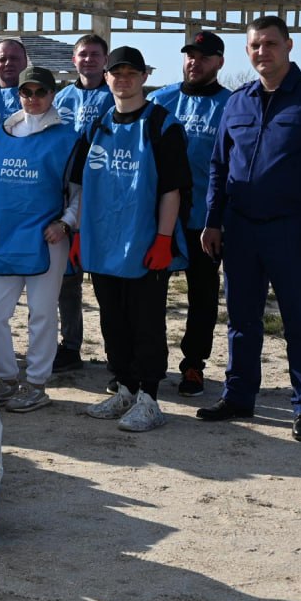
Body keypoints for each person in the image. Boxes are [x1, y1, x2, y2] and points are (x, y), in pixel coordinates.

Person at [196, 16, 301, 443]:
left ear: (289, 46)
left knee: (299, 322)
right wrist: (212, 220)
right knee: (242, 321)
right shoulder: (238, 101)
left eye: (270, 44)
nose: (263, 52)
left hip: (293, 232)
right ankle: (239, 396)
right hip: (240, 231)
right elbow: (219, 167)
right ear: (247, 52)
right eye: (255, 46)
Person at [73, 47, 192, 433]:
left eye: (130, 73)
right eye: (115, 73)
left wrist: (162, 239)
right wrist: (78, 234)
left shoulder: (162, 125)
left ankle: (150, 397)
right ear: (106, 78)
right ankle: (124, 387)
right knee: (113, 320)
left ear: (144, 77)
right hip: (104, 243)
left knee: (146, 322)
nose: (122, 79)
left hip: (144, 243)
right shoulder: (97, 125)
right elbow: (79, 184)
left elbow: (172, 189)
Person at [0, 67, 79, 413]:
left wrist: (65, 223)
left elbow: (80, 192)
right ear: (18, 94)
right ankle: (6, 377)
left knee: (41, 314)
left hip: (46, 240)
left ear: (53, 94)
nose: (33, 99)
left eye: (40, 92)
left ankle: (36, 383)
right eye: (27, 92)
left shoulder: (69, 136)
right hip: (2, 237)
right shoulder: (0, 133)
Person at [149, 31, 232, 397]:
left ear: (219, 63)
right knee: (150, 295)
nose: (194, 62)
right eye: (189, 55)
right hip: (160, 218)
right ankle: (147, 363)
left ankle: (194, 365)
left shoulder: (232, 105)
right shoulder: (158, 99)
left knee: (202, 295)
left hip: (205, 219)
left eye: (204, 56)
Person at [51, 34, 116, 374]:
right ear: (73, 60)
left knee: (109, 282)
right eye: (83, 55)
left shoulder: (115, 94)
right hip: (69, 194)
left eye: (95, 54)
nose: (89, 60)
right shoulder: (60, 97)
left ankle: (119, 353)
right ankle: (71, 345)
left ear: (105, 59)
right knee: (67, 279)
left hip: (106, 197)